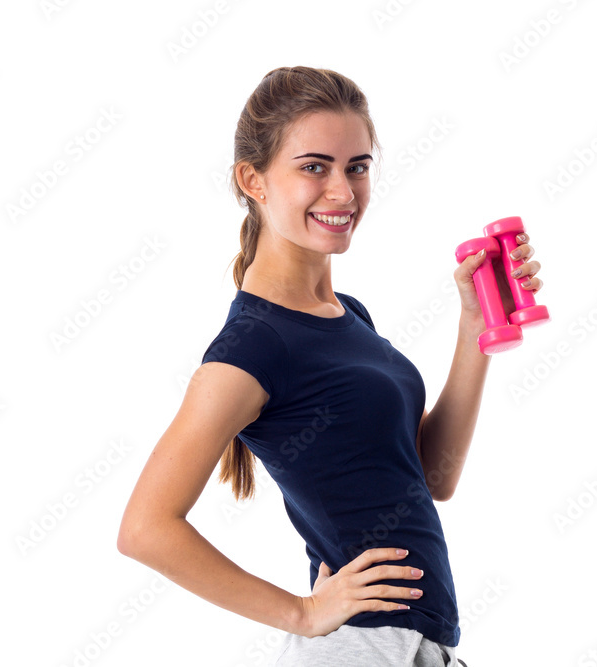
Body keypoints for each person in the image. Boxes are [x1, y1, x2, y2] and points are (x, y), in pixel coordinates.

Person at [117, 66, 543, 667]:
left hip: (414, 648)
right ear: (253, 179)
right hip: (360, 649)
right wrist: (302, 612)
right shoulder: (254, 345)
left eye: (357, 167)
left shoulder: (349, 317)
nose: (343, 192)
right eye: (313, 167)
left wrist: (475, 327)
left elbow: (432, 476)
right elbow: (144, 528)